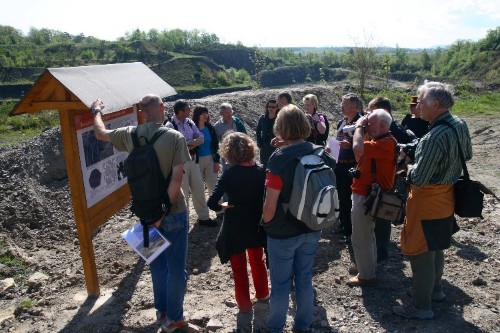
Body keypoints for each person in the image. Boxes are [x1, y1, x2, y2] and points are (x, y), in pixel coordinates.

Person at [90, 94, 190, 331]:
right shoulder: (174, 137)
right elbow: (176, 180)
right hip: (174, 212)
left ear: (141, 111)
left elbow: (99, 133)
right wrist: (163, 213)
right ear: (163, 107)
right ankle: (174, 318)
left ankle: (161, 311)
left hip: (145, 213)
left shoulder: (129, 134)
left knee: (157, 264)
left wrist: (96, 111)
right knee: (177, 269)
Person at [393, 82, 472, 319]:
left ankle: (420, 305)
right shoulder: (459, 123)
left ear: (435, 104)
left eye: (421, 101)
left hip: (426, 200)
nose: (417, 106)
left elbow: (419, 178)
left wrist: (408, 165)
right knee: (437, 246)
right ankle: (434, 290)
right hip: (446, 196)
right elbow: (467, 154)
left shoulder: (433, 136)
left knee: (421, 252)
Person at [262, 104, 335, 332]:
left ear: (280, 128)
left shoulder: (278, 159)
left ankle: (275, 328)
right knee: (304, 280)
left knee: (281, 285)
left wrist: (265, 223)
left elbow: (270, 203)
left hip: (282, 232)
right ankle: (303, 326)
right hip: (312, 227)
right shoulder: (319, 152)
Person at [207, 132, 269, 313]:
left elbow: (212, 203)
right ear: (251, 148)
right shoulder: (261, 170)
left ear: (229, 152)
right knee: (258, 260)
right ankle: (263, 293)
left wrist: (224, 206)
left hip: (235, 224)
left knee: (239, 266)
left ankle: (244, 304)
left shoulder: (230, 174)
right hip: (256, 222)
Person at [347, 109, 397, 286]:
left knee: (361, 236)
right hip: (366, 194)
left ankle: (366, 275)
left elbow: (358, 149)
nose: (367, 126)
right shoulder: (379, 141)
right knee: (366, 234)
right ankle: (366, 265)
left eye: (370, 123)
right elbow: (359, 153)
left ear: (381, 125)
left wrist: (359, 127)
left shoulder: (386, 144)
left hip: (368, 196)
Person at [367, 96, 412, 262]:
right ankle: (379, 246)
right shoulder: (385, 129)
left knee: (384, 211)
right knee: (379, 211)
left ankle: (382, 249)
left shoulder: (394, 131)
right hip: (386, 176)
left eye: (373, 112)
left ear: (383, 112)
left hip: (391, 178)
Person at [165, 100, 217, 227]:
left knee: (199, 189)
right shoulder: (170, 126)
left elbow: (201, 139)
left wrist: (188, 143)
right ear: (180, 111)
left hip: (193, 160)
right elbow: (172, 147)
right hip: (180, 163)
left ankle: (204, 217)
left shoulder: (189, 122)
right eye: (187, 110)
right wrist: (192, 143)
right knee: (184, 192)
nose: (190, 112)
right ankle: (185, 221)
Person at [334, 93, 363, 244]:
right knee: (342, 197)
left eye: (344, 103)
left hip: (352, 166)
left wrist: (349, 145)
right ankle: (344, 225)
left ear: (353, 105)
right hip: (340, 164)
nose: (341, 106)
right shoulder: (343, 121)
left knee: (351, 199)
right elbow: (339, 139)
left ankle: (351, 231)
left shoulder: (361, 122)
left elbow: (362, 145)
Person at [192, 105, 220, 200]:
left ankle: (219, 210)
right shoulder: (191, 128)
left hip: (210, 159)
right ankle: (203, 212)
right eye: (203, 113)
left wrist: (217, 161)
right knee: (198, 187)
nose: (205, 115)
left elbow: (216, 146)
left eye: (206, 113)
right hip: (196, 161)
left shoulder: (210, 128)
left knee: (214, 185)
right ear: (197, 115)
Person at [213, 102, 247, 173]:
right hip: (227, 156)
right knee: (228, 174)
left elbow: (245, 136)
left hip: (240, 153)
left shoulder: (237, 121)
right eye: (227, 113)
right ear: (221, 114)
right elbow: (215, 143)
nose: (229, 114)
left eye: (230, 112)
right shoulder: (217, 126)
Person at [256, 99, 279, 169]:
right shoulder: (262, 118)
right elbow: (258, 130)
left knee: (275, 164)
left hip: (276, 145)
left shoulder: (279, 118)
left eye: (273, 107)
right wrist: (259, 143)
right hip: (264, 145)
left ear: (277, 108)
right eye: (269, 106)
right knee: (264, 164)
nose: (271, 108)